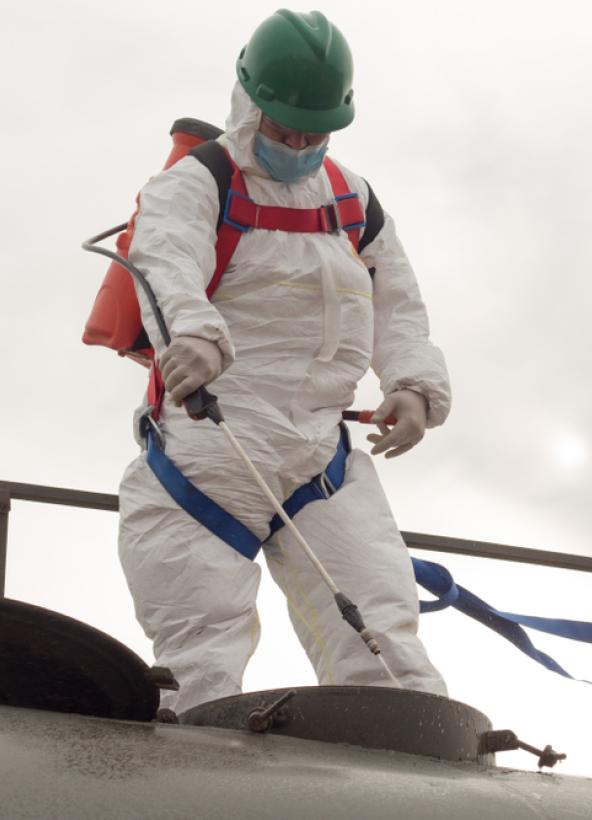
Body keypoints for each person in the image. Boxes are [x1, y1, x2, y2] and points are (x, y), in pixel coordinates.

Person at [118, 9, 450, 715]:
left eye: (313, 129)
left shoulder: (354, 201)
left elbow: (399, 304)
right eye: (285, 127)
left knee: (387, 648)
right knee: (197, 664)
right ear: (252, 102)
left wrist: (415, 386)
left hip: (318, 460)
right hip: (207, 451)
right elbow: (166, 261)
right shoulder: (196, 183)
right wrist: (195, 335)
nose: (299, 141)